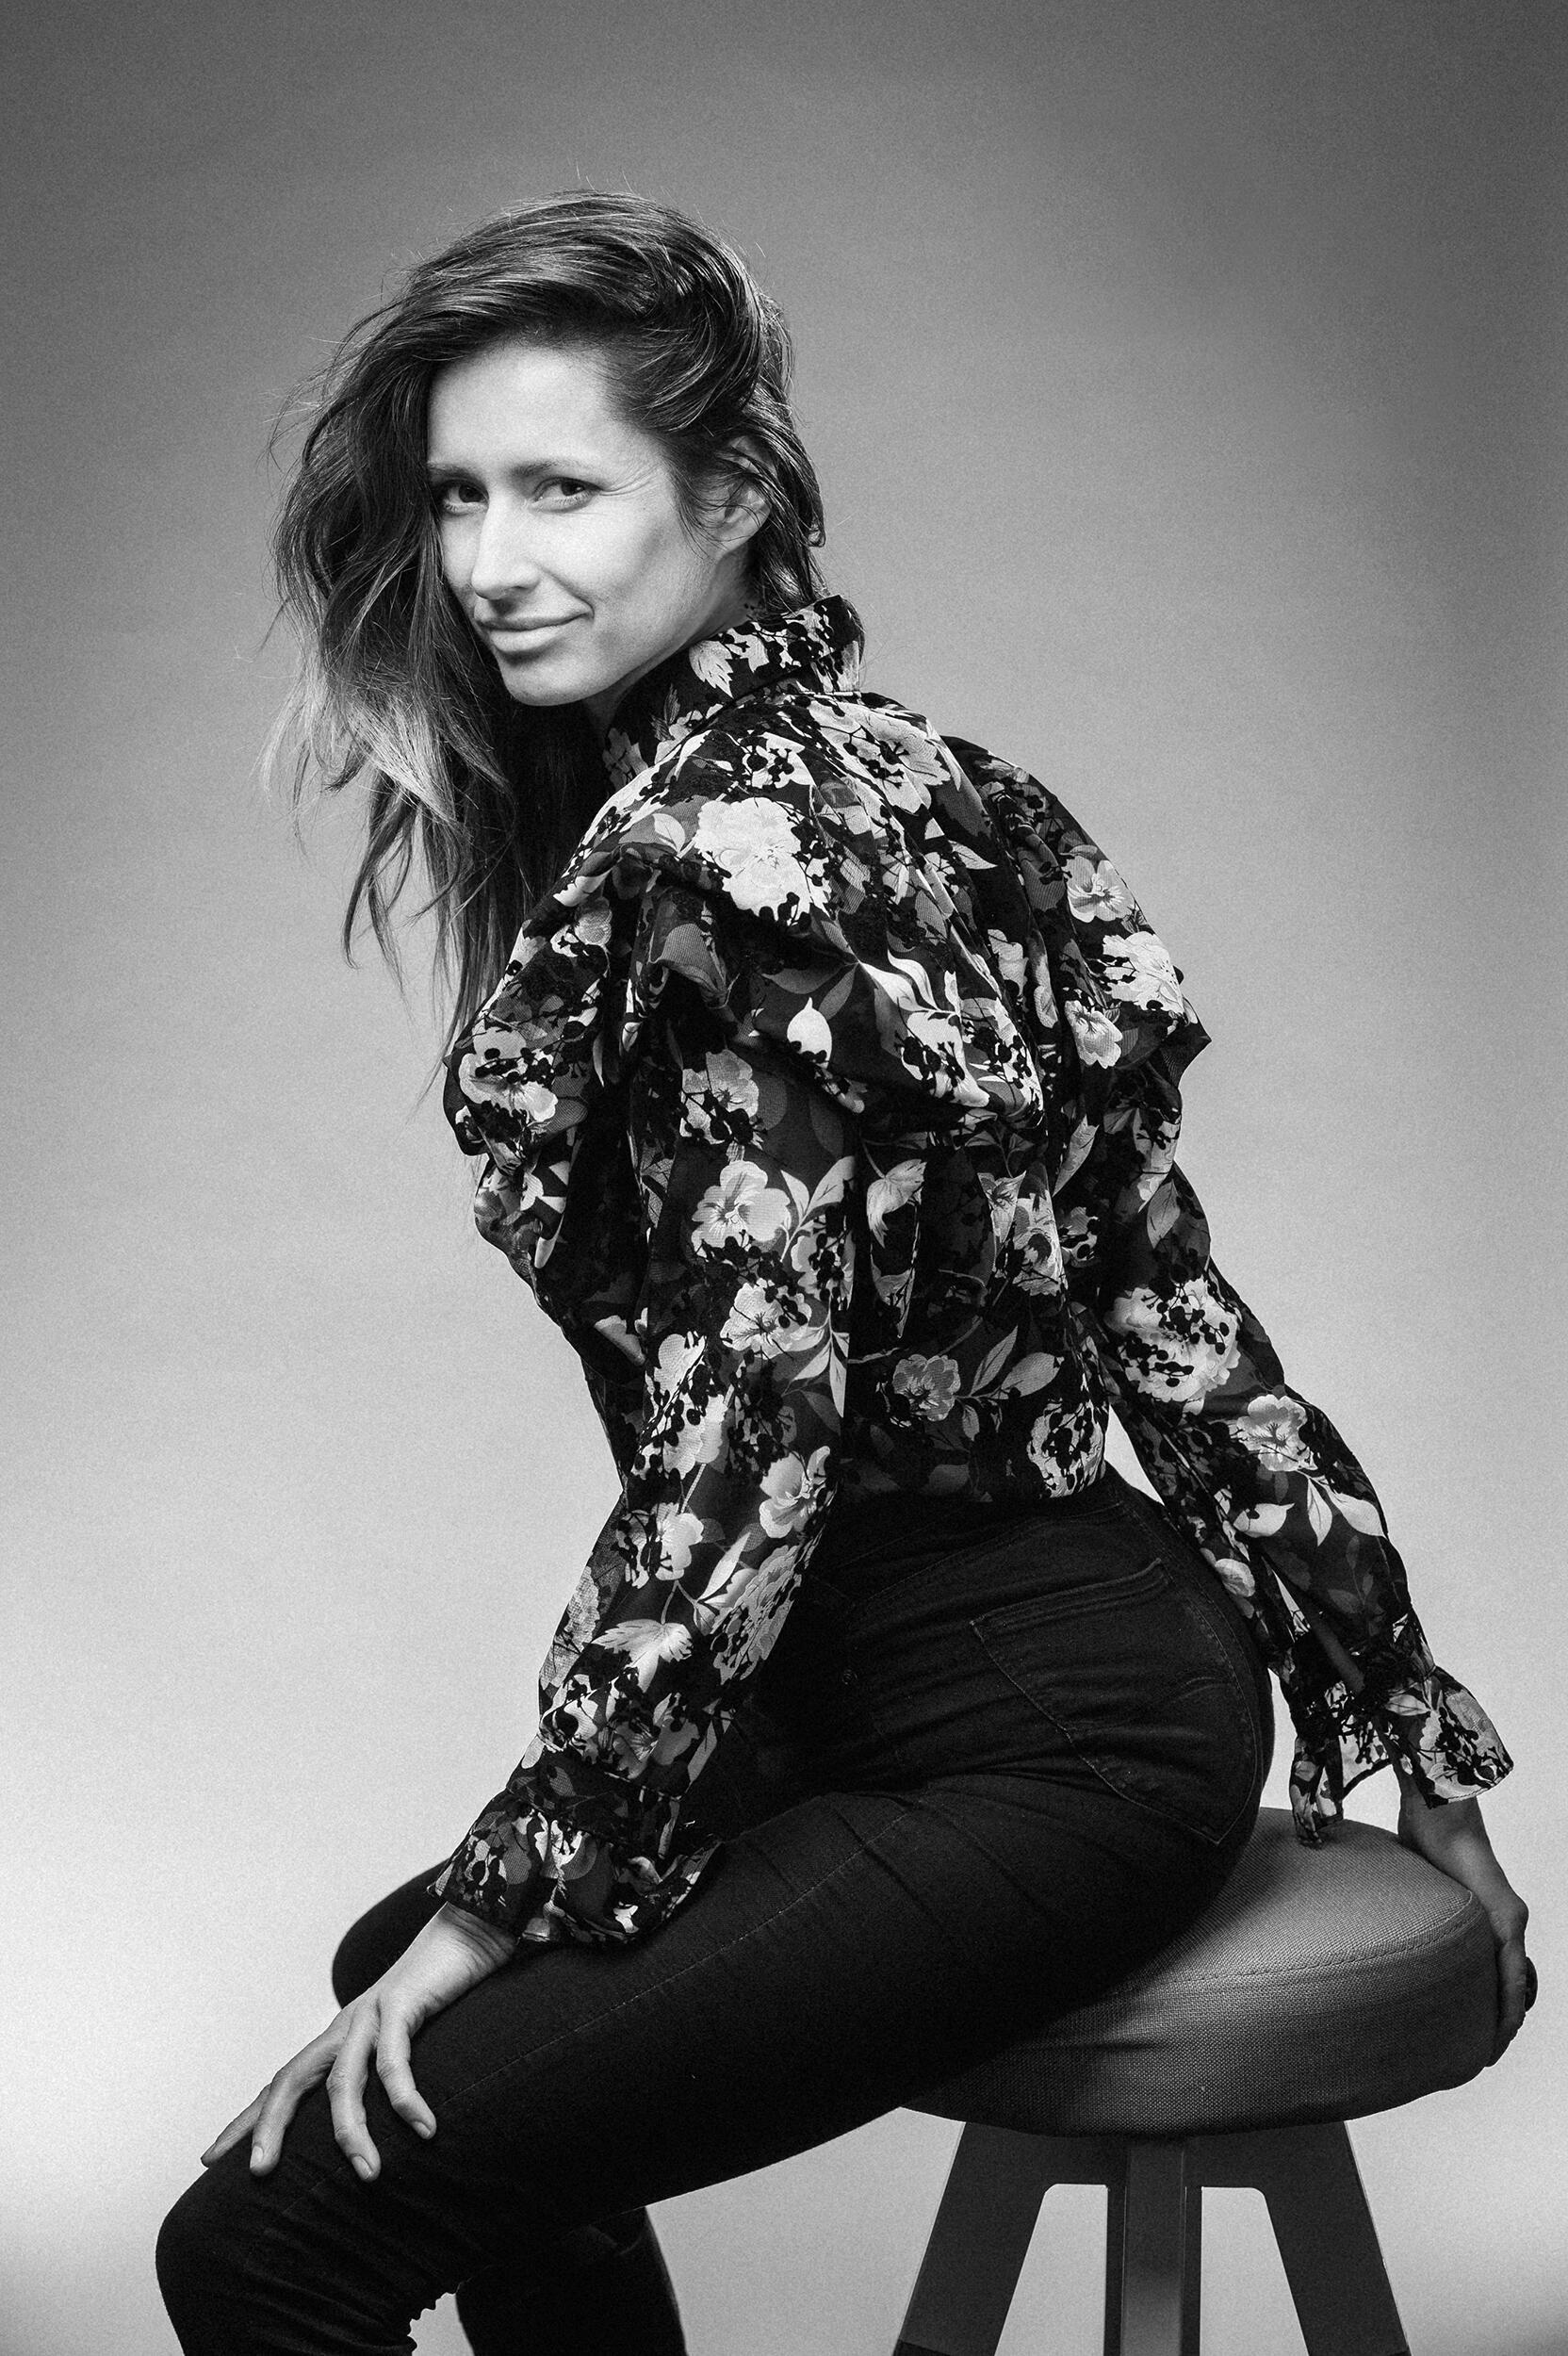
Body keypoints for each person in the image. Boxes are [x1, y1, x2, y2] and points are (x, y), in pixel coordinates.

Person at [157, 190, 1531, 2355]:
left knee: (265, 2236)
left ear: (729, 497)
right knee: (390, 1986)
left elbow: (748, 1444)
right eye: (457, 496)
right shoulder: (948, 789)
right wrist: (1384, 1704)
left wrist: (511, 1896)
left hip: (1034, 1742)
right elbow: (1168, 1307)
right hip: (1036, 1683)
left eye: (560, 490)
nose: (490, 560)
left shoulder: (720, 872)